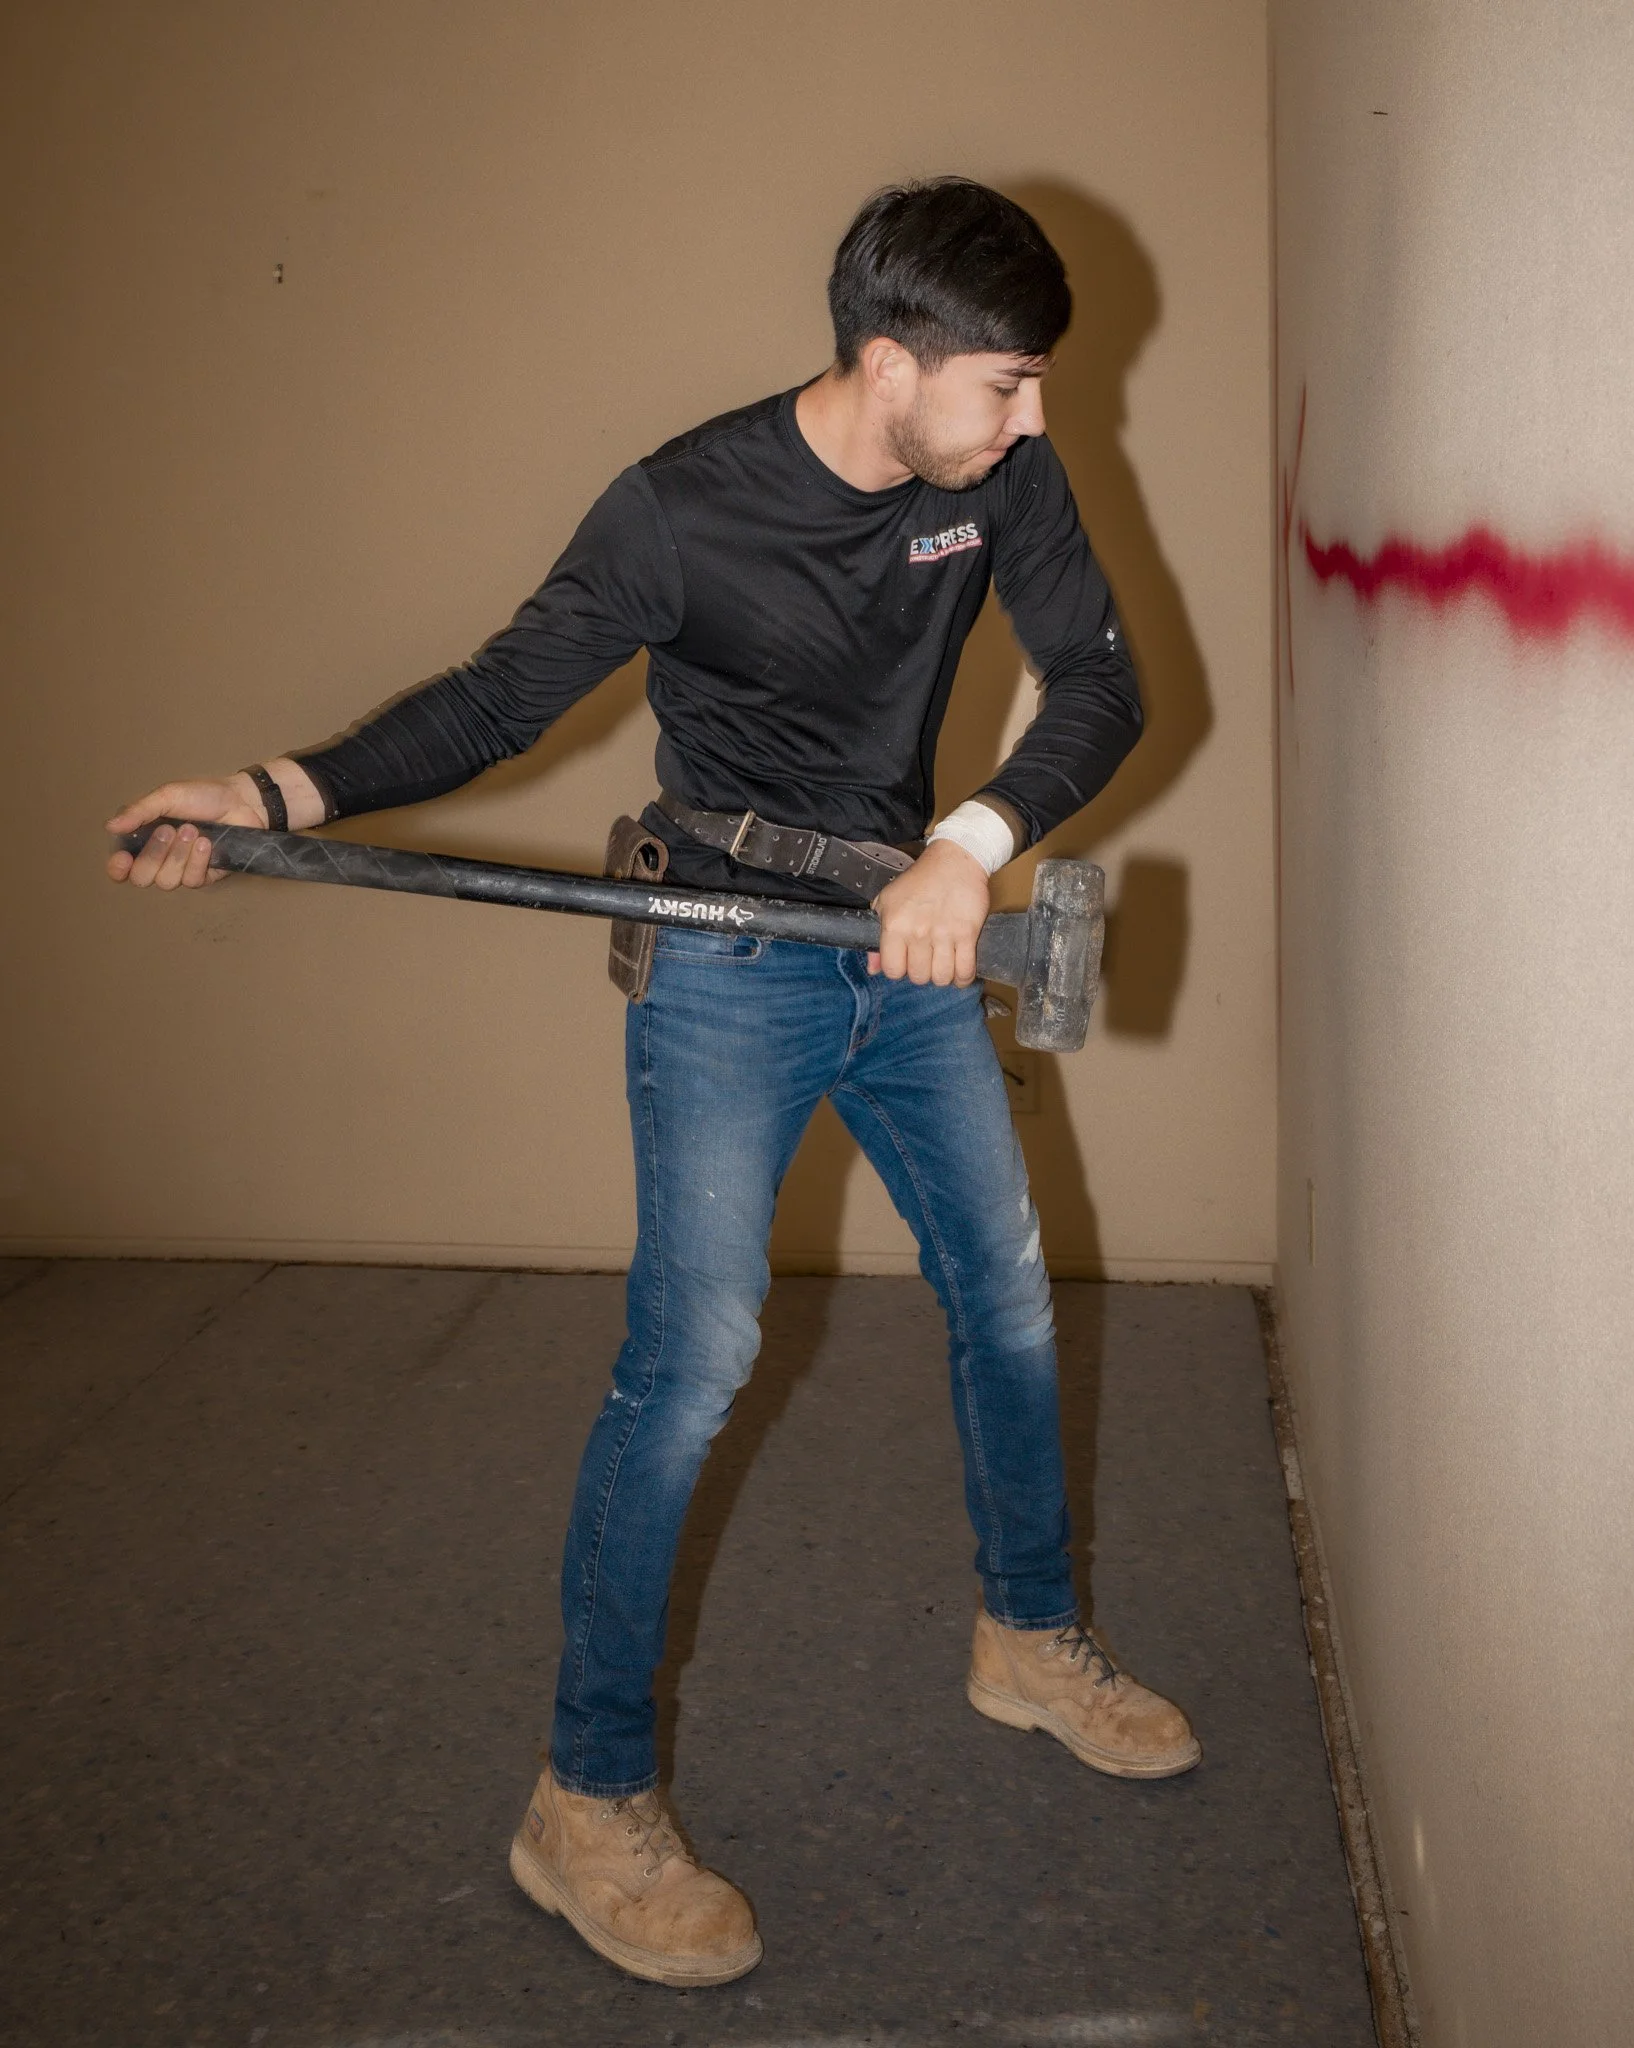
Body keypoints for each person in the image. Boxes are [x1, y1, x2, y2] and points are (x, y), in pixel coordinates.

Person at [106, 178, 1200, 1989]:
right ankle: (584, 1799)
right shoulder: (680, 507)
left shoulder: (992, 476)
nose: (1031, 421)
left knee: (1002, 1295)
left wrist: (971, 844)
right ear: (886, 362)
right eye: (1004, 385)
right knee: (689, 1363)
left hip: (900, 950)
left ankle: (1026, 1638)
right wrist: (270, 794)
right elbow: (495, 702)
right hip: (721, 964)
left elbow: (1098, 679)